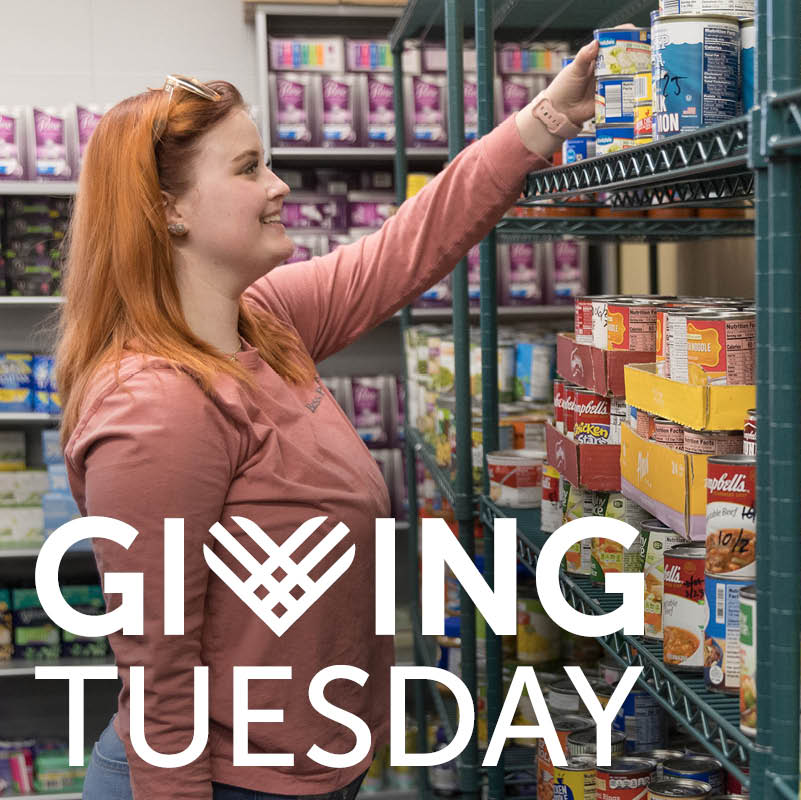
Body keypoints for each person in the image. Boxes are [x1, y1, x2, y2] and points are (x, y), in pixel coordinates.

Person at [59, 39, 597, 800]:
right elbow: (160, 680)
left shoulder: (265, 322)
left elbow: (405, 248)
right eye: (248, 169)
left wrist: (544, 120)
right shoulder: (158, 407)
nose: (279, 187)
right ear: (167, 210)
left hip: (308, 770)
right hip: (223, 785)